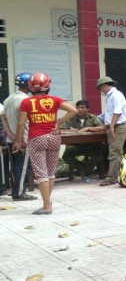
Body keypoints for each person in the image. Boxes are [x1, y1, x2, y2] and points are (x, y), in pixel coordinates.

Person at [13, 73, 77, 214]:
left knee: (41, 173)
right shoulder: (55, 99)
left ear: (31, 87)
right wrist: (58, 123)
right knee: (50, 172)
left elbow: (21, 123)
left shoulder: (26, 102)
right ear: (48, 86)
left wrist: (18, 141)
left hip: (37, 138)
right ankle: (48, 200)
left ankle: (47, 206)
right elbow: (73, 110)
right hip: (54, 137)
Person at [2, 72, 37, 201]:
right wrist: (19, 139)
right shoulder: (25, 100)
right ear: (29, 85)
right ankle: (19, 193)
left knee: (16, 165)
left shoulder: (8, 99)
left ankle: (16, 190)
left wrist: (11, 136)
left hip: (11, 139)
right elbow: (21, 123)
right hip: (23, 139)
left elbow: (3, 119)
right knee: (23, 167)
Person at [59, 99, 105, 182]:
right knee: (66, 156)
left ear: (87, 109)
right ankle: (84, 169)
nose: (80, 109)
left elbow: (102, 127)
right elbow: (60, 130)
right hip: (75, 145)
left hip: (90, 145)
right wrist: (70, 130)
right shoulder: (70, 117)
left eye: (83, 107)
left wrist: (88, 128)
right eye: (78, 107)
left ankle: (84, 170)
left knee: (99, 154)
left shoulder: (92, 117)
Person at [95, 76, 126, 186]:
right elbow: (108, 113)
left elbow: (117, 112)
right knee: (113, 151)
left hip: (119, 126)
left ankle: (112, 178)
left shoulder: (116, 95)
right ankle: (114, 175)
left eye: (101, 88)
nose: (101, 91)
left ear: (104, 85)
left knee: (115, 152)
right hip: (113, 125)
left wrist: (112, 126)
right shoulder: (110, 96)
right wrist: (106, 124)